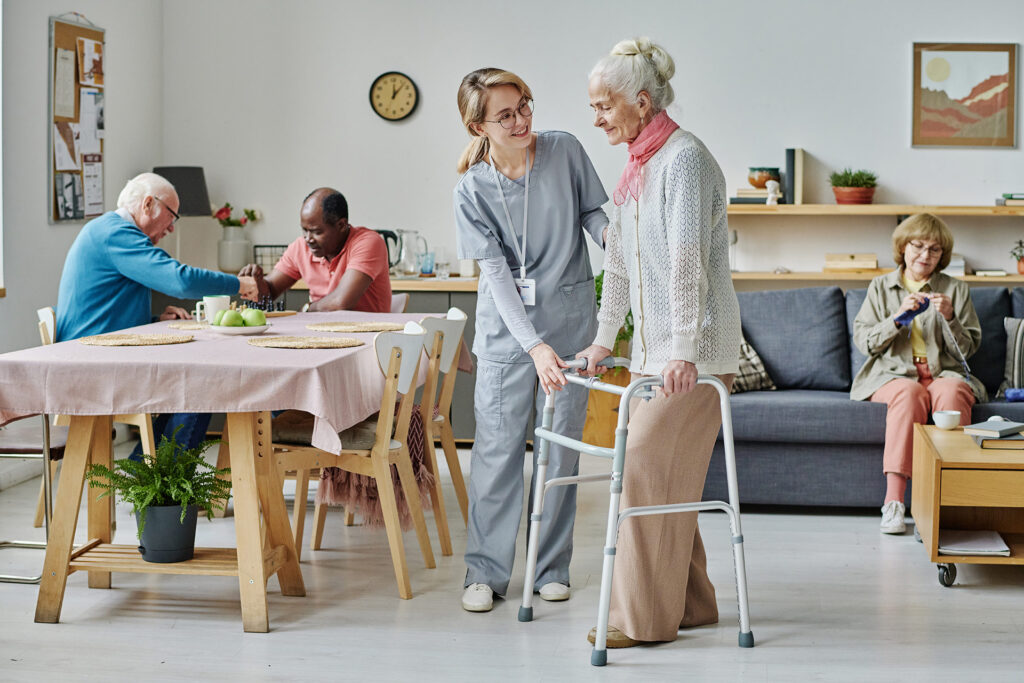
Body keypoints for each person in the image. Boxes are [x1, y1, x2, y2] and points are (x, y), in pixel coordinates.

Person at [576, 37, 741, 648]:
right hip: (655, 355)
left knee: (641, 466)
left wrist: (685, 351)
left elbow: (688, 264)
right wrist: (601, 340)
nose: (595, 118)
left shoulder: (685, 160)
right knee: (665, 477)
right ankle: (692, 604)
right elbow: (618, 266)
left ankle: (637, 620)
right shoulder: (638, 167)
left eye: (603, 106)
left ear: (641, 102)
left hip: (695, 356)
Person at [453, 68, 608, 613]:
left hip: (569, 325)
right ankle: (486, 573)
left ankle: (550, 567)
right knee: (495, 454)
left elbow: (593, 213)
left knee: (558, 450)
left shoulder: (564, 151)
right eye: (505, 114)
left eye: (524, 106)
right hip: (506, 336)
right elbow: (496, 276)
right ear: (479, 126)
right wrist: (532, 346)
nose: (521, 120)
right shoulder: (472, 190)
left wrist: (620, 242)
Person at [56, 172, 260, 455]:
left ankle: (148, 479)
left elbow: (104, 312)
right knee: (203, 383)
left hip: (93, 355)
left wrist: (154, 321)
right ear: (148, 204)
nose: (172, 229)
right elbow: (181, 280)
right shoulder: (115, 233)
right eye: (172, 216)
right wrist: (238, 283)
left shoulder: (108, 230)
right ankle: (160, 490)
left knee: (197, 379)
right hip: (90, 367)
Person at [852, 213, 982, 534]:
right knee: (911, 394)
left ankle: (951, 501)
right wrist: (897, 318)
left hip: (943, 374)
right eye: (918, 246)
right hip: (892, 376)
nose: (925, 255)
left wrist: (950, 318)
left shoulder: (956, 290)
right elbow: (865, 343)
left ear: (943, 255)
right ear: (903, 247)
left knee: (951, 392)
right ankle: (894, 503)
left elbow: (969, 351)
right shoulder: (881, 287)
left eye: (934, 250)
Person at [240, 188, 391, 312]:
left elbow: (340, 302)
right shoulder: (300, 247)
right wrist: (257, 283)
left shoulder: (368, 242)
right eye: (304, 230)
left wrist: (308, 309)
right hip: (319, 335)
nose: (308, 239)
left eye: (316, 232)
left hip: (368, 336)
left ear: (341, 225)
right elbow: (270, 290)